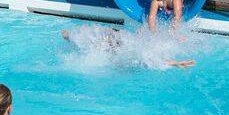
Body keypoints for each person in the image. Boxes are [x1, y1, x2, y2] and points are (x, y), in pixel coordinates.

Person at [61, 28, 195, 68]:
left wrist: (176, 63)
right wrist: (69, 37)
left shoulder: (131, 48)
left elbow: (152, 59)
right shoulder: (104, 47)